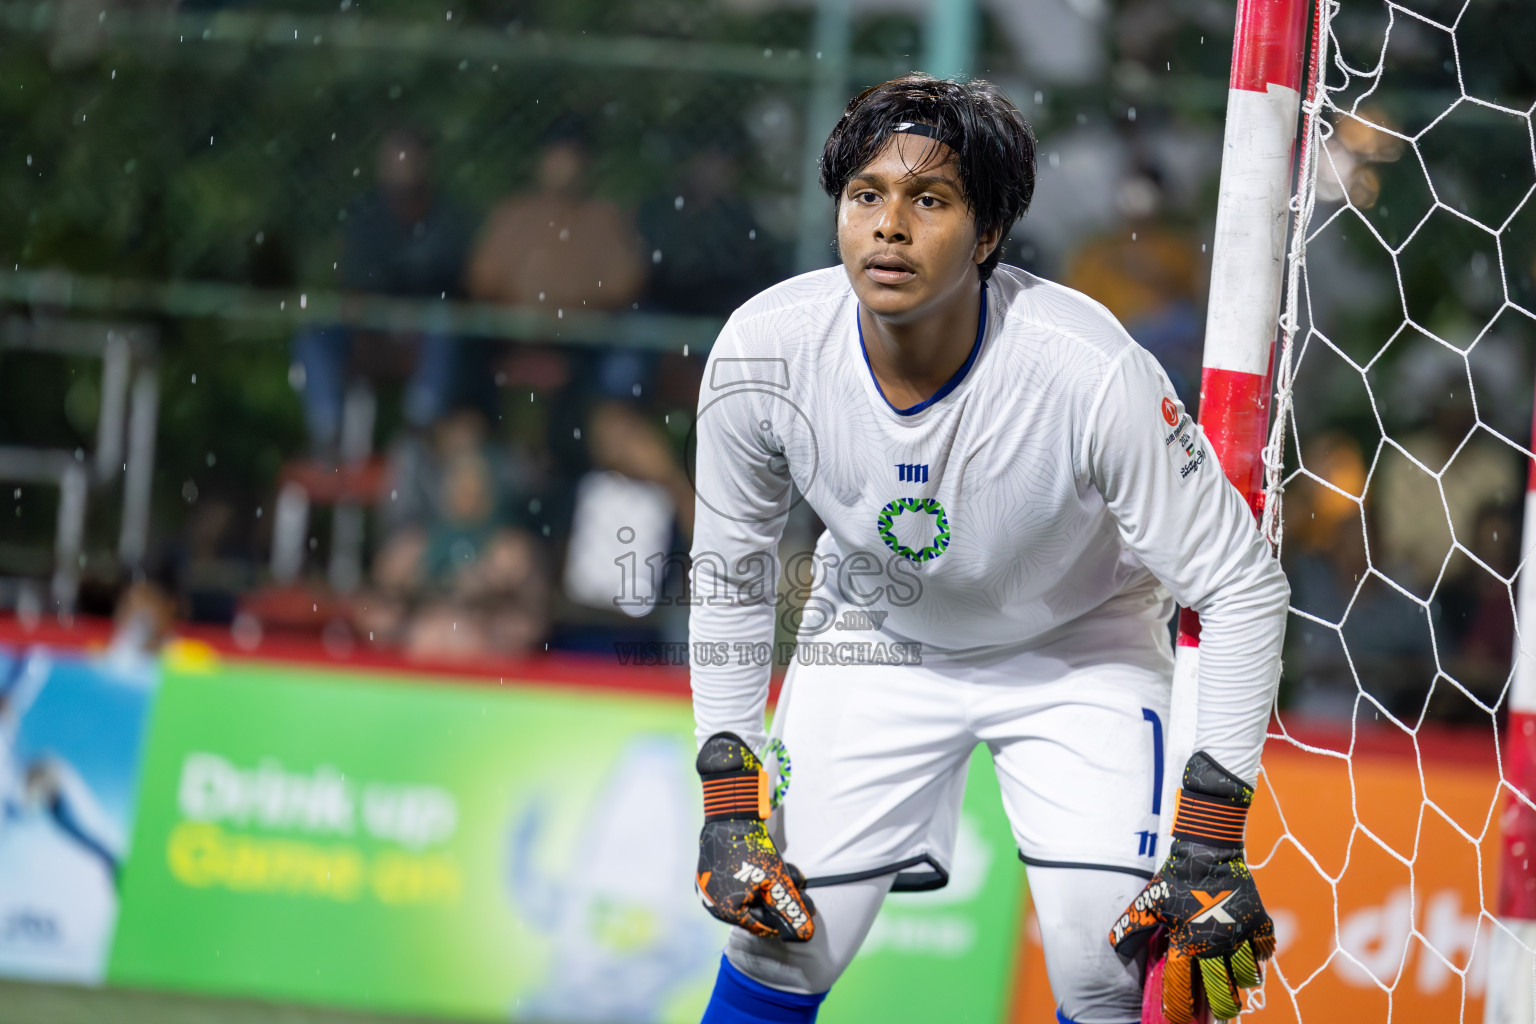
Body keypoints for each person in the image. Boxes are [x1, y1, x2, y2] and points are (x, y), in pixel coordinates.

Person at [685, 75, 1289, 1024]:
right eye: (866, 196)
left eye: (929, 200)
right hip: (878, 637)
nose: (890, 226)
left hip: (1078, 647)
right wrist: (728, 802)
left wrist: (1212, 839)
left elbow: (1245, 586)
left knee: (1108, 978)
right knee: (773, 942)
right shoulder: (762, 350)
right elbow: (730, 575)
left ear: (991, 234)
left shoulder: (1090, 373)